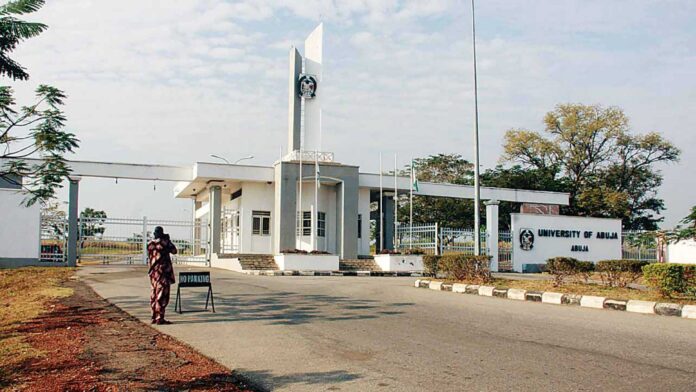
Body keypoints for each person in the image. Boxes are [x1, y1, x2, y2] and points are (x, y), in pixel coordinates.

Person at [147, 226, 177, 325]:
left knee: (154, 294)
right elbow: (174, 251)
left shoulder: (150, 244)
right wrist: (167, 239)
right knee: (162, 294)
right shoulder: (164, 242)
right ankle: (160, 317)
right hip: (163, 272)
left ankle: (153, 317)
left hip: (153, 272)